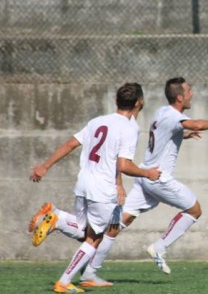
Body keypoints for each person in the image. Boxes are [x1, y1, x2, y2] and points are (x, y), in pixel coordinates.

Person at [78, 77, 208, 284]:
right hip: (158, 178)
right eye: (189, 90)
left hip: (144, 179)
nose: (191, 93)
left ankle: (89, 271)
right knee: (194, 210)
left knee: (116, 224)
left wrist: (183, 135)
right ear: (179, 97)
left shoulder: (162, 113)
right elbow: (198, 123)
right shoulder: (173, 116)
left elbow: (165, 134)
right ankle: (160, 247)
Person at [28, 82, 161, 293]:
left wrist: (45, 166)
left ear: (116, 101)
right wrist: (148, 173)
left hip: (83, 185)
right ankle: (64, 281)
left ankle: (57, 219)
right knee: (94, 239)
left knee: (84, 232)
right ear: (139, 103)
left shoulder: (97, 121)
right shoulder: (129, 129)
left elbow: (71, 144)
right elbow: (124, 165)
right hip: (101, 191)